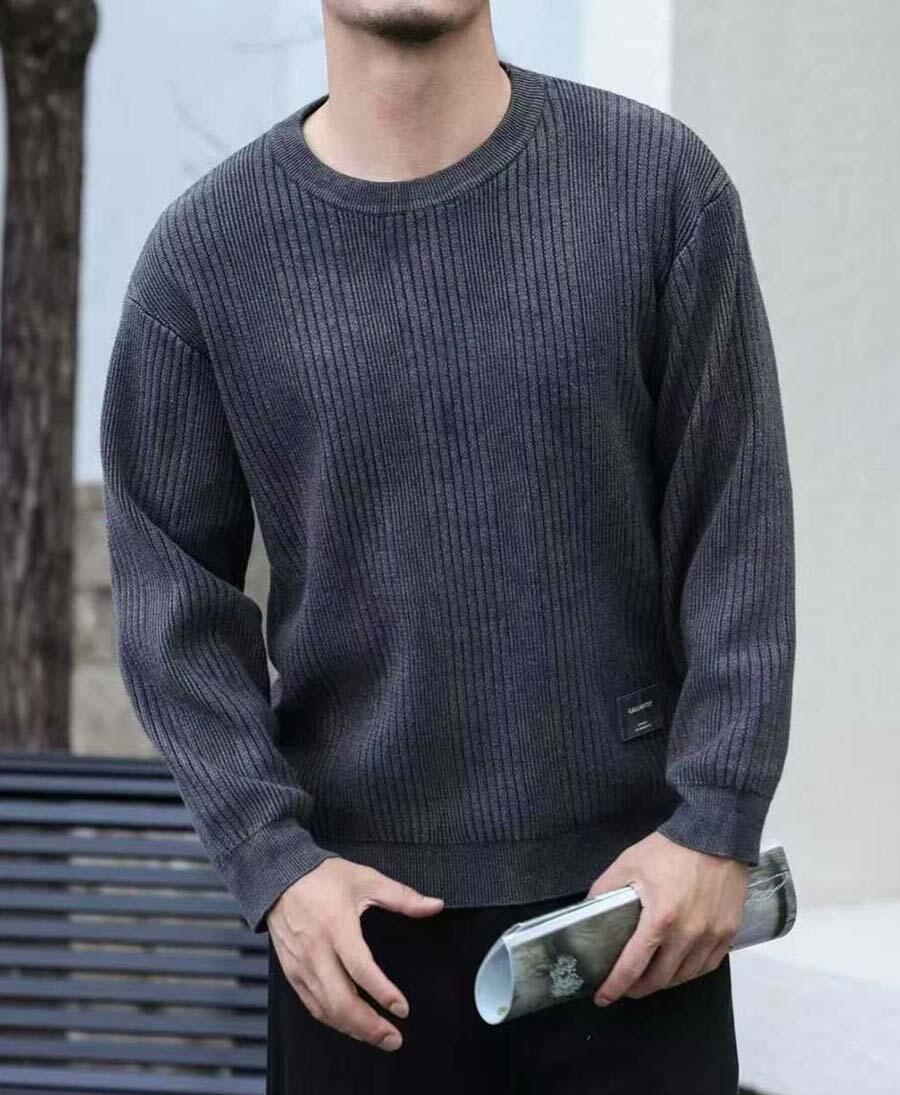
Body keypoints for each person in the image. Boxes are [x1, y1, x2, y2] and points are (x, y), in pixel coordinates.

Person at [100, 1, 795, 1091]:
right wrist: (274, 864)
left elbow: (736, 526)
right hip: (359, 952)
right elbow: (167, 596)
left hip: (637, 922)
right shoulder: (206, 260)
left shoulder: (659, 190)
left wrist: (716, 820)